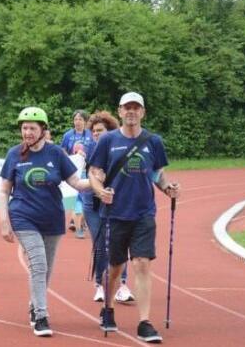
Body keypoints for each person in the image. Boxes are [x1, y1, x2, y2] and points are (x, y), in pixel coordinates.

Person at [89, 92, 180, 343]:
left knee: (142, 263)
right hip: (115, 213)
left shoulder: (154, 141)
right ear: (119, 111)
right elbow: (95, 172)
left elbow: (157, 174)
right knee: (116, 267)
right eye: (127, 107)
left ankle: (144, 322)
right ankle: (107, 308)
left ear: (143, 112)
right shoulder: (107, 140)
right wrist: (100, 190)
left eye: (136, 108)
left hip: (143, 213)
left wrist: (168, 188)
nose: (131, 112)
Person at [0, 107, 90, 337]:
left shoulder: (56, 154)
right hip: (23, 216)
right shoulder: (14, 154)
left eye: (32, 128)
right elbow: (4, 191)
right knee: (38, 265)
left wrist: (99, 183)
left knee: (46, 269)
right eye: (24, 128)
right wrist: (3, 221)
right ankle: (41, 315)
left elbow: (77, 183)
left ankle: (34, 304)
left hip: (52, 218)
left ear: (43, 130)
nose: (27, 132)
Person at [81, 111, 134, 303]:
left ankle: (122, 285)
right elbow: (82, 177)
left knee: (118, 243)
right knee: (101, 244)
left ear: (110, 131)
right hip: (93, 204)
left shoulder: (119, 148)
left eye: (100, 130)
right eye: (94, 131)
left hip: (114, 204)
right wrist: (94, 182)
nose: (96, 134)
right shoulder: (87, 152)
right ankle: (99, 285)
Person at [61, 110, 93, 236]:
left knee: (85, 198)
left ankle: (78, 222)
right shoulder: (68, 135)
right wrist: (69, 159)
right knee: (78, 197)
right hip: (72, 170)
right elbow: (62, 150)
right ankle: (79, 227)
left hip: (88, 169)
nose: (77, 122)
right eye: (75, 119)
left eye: (80, 119)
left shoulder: (90, 134)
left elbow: (95, 148)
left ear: (85, 121)